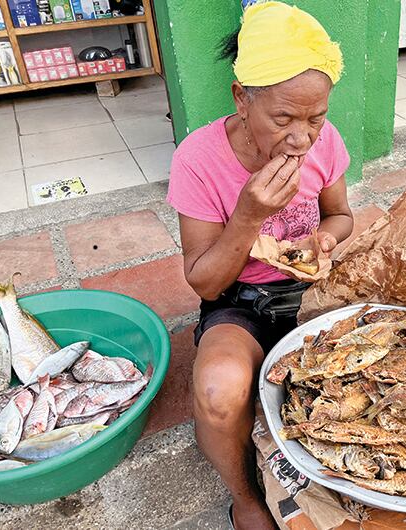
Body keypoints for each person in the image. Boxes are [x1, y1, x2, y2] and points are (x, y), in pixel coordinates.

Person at [165, 2, 352, 528]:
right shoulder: (198, 159)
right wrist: (249, 215)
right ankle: (247, 498)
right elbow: (204, 280)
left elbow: (340, 215)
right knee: (220, 391)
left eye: (316, 118)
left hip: (311, 293)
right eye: (284, 119)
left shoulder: (325, 142)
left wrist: (323, 241)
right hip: (239, 301)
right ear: (241, 99)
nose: (301, 139)